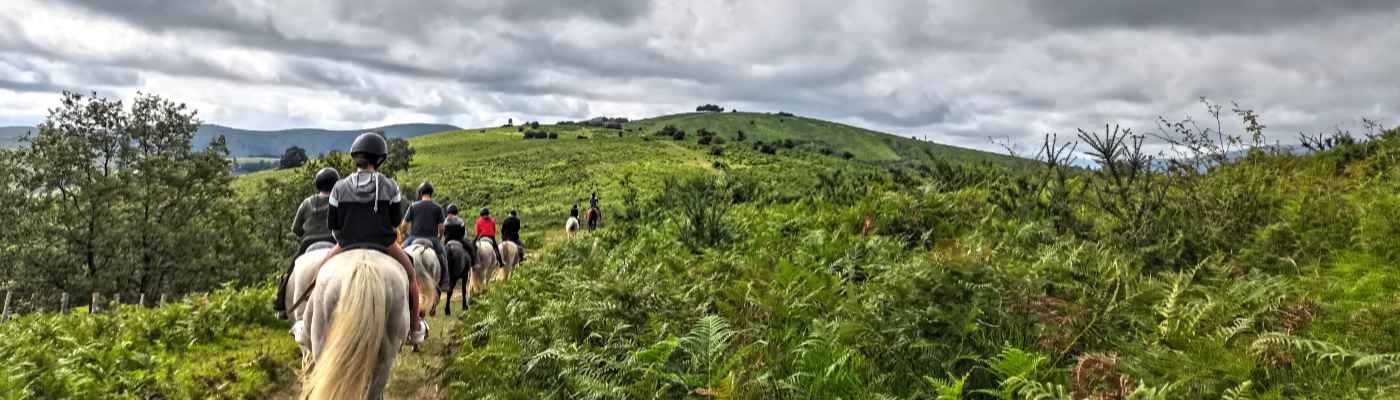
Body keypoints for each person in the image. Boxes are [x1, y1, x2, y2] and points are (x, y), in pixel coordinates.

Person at [315, 132, 426, 345]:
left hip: (346, 243)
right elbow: (395, 221)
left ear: (356, 157)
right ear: (380, 158)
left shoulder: (339, 187)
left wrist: (344, 238)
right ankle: (414, 328)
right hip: (384, 243)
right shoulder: (390, 185)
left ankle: (307, 322)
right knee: (411, 277)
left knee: (319, 273)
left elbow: (333, 225)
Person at [273, 167, 339, 319]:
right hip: (335, 243)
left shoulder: (307, 203)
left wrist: (306, 235)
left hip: (308, 243)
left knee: (289, 272)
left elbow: (296, 229)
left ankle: (281, 303)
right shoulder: (340, 202)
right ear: (336, 185)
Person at [401, 181, 448, 283]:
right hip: (432, 238)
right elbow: (442, 228)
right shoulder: (437, 207)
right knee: (443, 255)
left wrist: (406, 235)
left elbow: (403, 226)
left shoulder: (413, 206)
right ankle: (445, 280)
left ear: (420, 193)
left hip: (414, 238)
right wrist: (439, 237)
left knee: (400, 253)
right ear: (431, 193)